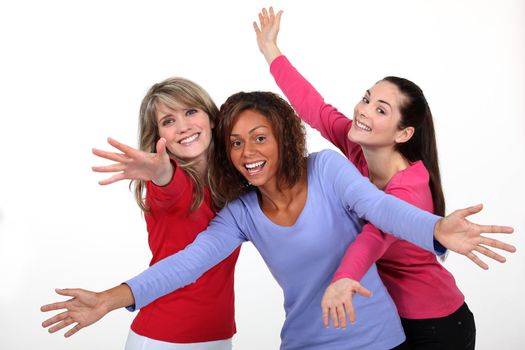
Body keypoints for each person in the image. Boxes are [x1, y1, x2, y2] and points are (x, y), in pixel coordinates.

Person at [41, 89, 515, 350]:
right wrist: (108, 298)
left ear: (284, 138)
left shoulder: (327, 170)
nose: (249, 152)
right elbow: (186, 264)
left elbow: (382, 211)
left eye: (260, 137)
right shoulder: (242, 213)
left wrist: (433, 227)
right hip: (306, 343)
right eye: (236, 142)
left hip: (378, 341)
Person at [253, 7, 501, 349]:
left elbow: (373, 237)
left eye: (380, 110)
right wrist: (271, 51)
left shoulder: (409, 188)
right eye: (366, 98)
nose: (363, 110)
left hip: (435, 325)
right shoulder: (359, 150)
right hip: (386, 318)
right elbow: (315, 109)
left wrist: (343, 278)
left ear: (404, 133)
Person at [83, 77, 240, 349]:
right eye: (168, 121)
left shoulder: (230, 185)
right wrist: (160, 173)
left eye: (191, 111)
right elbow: (168, 183)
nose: (183, 126)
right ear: (159, 138)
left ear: (212, 118)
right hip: (162, 338)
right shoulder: (171, 186)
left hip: (217, 335)